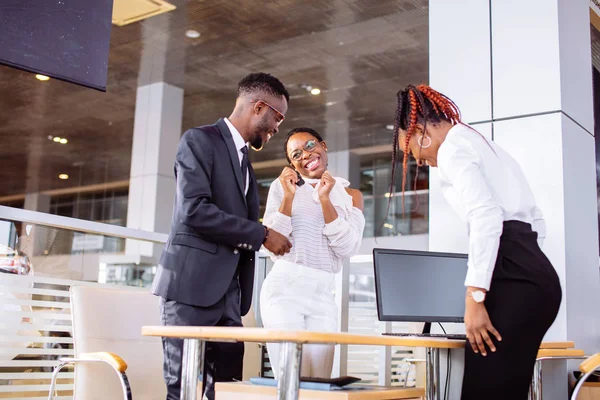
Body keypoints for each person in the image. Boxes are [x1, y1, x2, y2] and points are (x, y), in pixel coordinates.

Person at [390, 84, 562, 399]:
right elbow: (536, 221)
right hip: (536, 276)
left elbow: (485, 216)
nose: (421, 161)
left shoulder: (453, 149)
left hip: (514, 277)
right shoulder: (481, 143)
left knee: (484, 391)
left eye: (413, 152)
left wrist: (474, 298)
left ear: (419, 132)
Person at [151, 72, 293, 400]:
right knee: (184, 389)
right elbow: (194, 211)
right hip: (190, 291)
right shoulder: (199, 141)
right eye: (278, 117)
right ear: (259, 107)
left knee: (229, 391)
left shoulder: (246, 162)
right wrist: (261, 234)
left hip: (229, 298)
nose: (277, 127)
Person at [260, 127, 365, 379]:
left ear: (323, 146)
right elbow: (273, 242)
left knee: (319, 383)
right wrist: (288, 197)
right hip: (284, 290)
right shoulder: (283, 186)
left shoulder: (351, 195)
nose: (306, 155)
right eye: (296, 154)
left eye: (310, 146)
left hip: (323, 294)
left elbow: (348, 247)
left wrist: (326, 200)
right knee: (289, 380)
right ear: (292, 164)